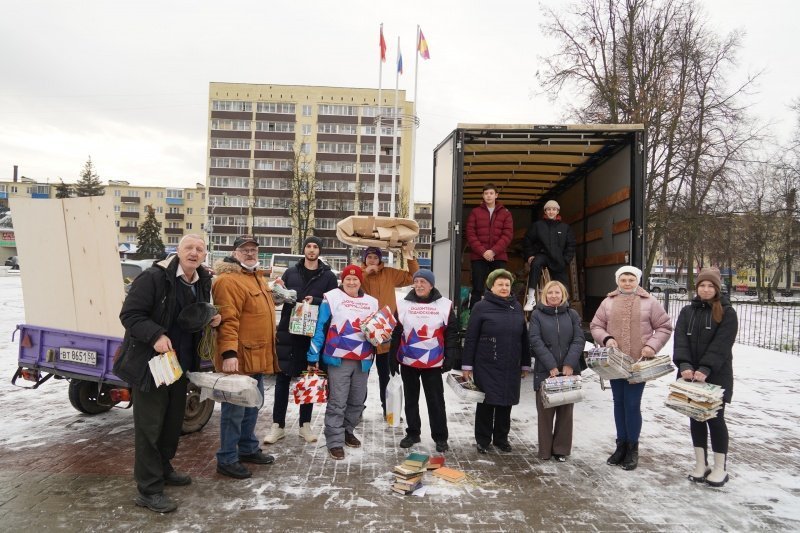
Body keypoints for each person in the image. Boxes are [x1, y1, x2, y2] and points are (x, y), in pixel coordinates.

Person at [116, 234, 221, 513]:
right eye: (189, 248)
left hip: (179, 367)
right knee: (149, 427)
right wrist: (156, 336)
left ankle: (163, 468)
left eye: (200, 249)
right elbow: (130, 315)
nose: (194, 253)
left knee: (172, 424)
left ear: (204, 255)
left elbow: (192, 316)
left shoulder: (202, 281)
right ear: (178, 251)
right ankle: (148, 489)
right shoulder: (154, 277)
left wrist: (211, 317)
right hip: (151, 364)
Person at [590, 265, 673, 471]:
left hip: (638, 363)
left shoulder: (650, 302)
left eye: (631, 279)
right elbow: (596, 325)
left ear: (638, 281)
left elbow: (664, 327)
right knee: (618, 402)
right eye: (623, 279)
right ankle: (621, 446)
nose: (627, 283)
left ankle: (633, 448)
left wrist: (651, 346)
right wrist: (606, 338)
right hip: (615, 363)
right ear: (617, 281)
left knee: (632, 404)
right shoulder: (608, 302)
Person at [212, 235, 278, 479]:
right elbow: (228, 320)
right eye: (244, 250)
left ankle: (248, 448)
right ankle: (227, 458)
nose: (250, 253)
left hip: (257, 354)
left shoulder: (256, 278)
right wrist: (229, 353)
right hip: (239, 358)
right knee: (234, 410)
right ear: (234, 253)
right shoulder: (228, 281)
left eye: (253, 249)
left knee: (253, 405)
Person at [264, 236, 338, 445]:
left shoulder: (328, 276)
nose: (312, 250)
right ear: (304, 249)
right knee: (282, 379)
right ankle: (277, 425)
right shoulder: (291, 272)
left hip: (312, 334)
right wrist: (278, 291)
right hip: (289, 332)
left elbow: (334, 304)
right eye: (309, 246)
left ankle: (304, 425)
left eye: (316, 246)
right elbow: (278, 297)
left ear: (320, 251)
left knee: (309, 377)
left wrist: (315, 301)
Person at [673, 267, 737, 487]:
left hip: (717, 375)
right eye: (702, 285)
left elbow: (722, 344)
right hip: (690, 375)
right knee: (695, 417)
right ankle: (701, 463)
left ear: (718, 288)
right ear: (697, 287)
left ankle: (720, 467)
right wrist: (684, 364)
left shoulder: (727, 312)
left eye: (711, 286)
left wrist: (706, 368)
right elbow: (680, 338)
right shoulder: (687, 311)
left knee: (715, 419)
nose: (706, 289)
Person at [307, 265, 379, 460]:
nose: (352, 282)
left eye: (355, 279)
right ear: (343, 280)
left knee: (356, 401)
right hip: (338, 358)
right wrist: (312, 355)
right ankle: (334, 440)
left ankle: (347, 430)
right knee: (338, 401)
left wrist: (383, 337)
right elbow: (320, 327)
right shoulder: (331, 298)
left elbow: (378, 330)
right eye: (348, 279)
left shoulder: (372, 302)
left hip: (363, 360)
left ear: (360, 281)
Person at [388, 269, 459, 452]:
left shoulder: (444, 305)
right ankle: (413, 432)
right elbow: (396, 332)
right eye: (416, 282)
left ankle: (440, 436)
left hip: (433, 362)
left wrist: (451, 356)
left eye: (423, 282)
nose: (419, 285)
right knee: (411, 399)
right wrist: (392, 356)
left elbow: (451, 333)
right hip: (408, 360)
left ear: (431, 285)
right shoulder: (403, 304)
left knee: (435, 400)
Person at [462, 269, 531, 453]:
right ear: (491, 286)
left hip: (510, 363)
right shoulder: (481, 307)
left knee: (505, 403)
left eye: (507, 285)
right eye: (500, 284)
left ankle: (501, 439)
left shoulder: (516, 307)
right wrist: (467, 365)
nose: (504, 287)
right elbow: (471, 337)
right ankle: (483, 440)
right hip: (487, 362)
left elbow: (524, 338)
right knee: (486, 402)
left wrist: (525, 363)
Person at [529, 280, 585, 462]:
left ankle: (560, 450)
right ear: (544, 295)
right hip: (546, 371)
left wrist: (569, 363)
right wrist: (551, 365)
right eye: (550, 293)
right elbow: (535, 340)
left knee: (565, 412)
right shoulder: (537, 315)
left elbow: (579, 340)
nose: (554, 296)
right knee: (545, 413)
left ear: (563, 295)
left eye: (557, 293)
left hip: (570, 371)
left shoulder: (572, 314)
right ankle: (545, 451)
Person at [360, 244, 419, 418]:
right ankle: (357, 409)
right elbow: (348, 283)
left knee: (386, 374)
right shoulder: (359, 274)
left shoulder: (389, 273)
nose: (372, 260)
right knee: (361, 375)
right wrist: (365, 272)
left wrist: (410, 257)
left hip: (386, 333)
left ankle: (388, 409)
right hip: (364, 333)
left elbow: (413, 277)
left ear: (380, 259)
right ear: (365, 259)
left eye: (375, 257)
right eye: (369, 257)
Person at [465, 183, 514, 309]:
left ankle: (499, 314)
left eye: (491, 193)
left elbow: (507, 235)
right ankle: (473, 317)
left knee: (499, 287)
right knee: (477, 287)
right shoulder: (475, 212)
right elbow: (470, 234)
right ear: (483, 195)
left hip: (498, 256)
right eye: (486, 193)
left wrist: (493, 251)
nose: (488, 196)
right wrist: (483, 252)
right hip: (478, 256)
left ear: (496, 195)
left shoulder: (505, 213)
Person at [523, 200, 576, 311]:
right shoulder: (537, 226)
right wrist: (530, 256)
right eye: (549, 209)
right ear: (545, 211)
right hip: (542, 255)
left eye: (554, 209)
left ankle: (565, 302)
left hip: (558, 259)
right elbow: (527, 240)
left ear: (558, 211)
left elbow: (571, 245)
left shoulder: (565, 228)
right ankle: (531, 297)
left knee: (563, 281)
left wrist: (566, 260)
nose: (551, 212)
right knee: (535, 263)